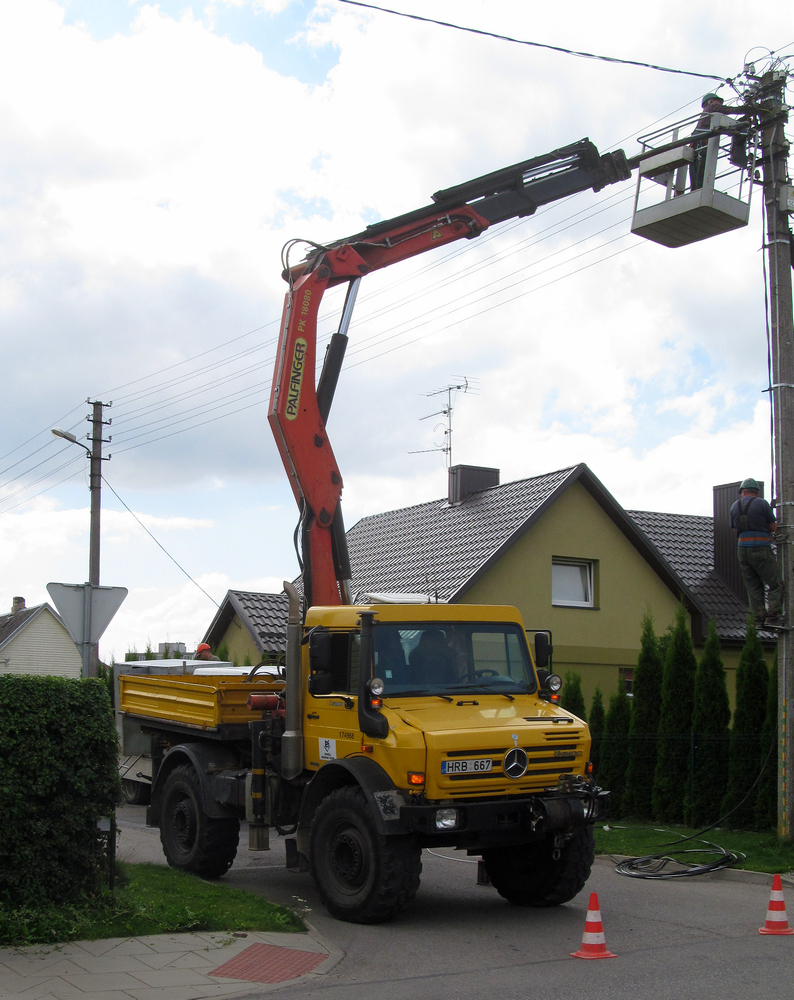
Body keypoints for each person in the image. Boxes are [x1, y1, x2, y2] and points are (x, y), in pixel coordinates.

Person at [730, 478, 783, 626]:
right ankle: (773, 617)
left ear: (743, 491)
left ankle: (759, 618)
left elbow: (735, 529)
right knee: (776, 583)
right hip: (759, 549)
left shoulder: (735, 506)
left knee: (753, 587)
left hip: (742, 551)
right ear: (757, 492)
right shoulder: (762, 503)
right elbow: (773, 527)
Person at [690, 93, 727, 191]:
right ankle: (699, 193)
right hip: (700, 147)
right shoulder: (711, 107)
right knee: (700, 174)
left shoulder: (713, 116)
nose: (720, 103)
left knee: (700, 176)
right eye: (717, 101)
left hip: (699, 147)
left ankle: (699, 192)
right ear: (710, 101)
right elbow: (729, 110)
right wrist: (748, 109)